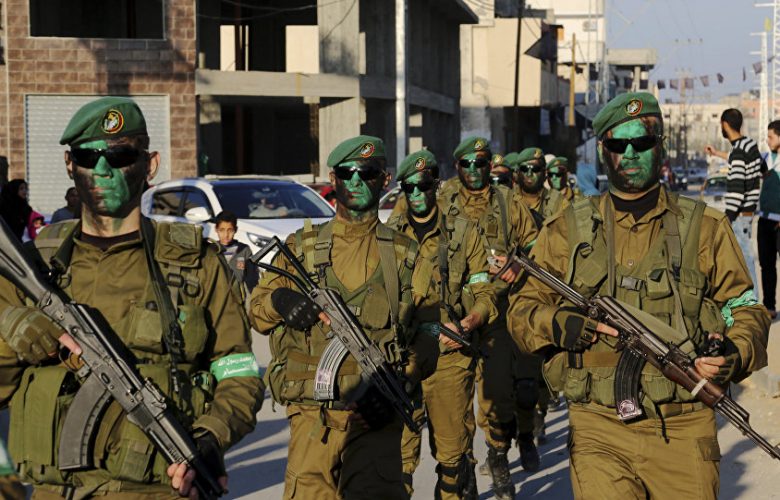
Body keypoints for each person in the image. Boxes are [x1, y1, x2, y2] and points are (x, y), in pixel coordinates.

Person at [509, 92, 770, 499]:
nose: (630, 153)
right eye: (619, 144)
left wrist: (732, 352)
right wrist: (562, 325)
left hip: (684, 425)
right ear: (603, 150)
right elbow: (522, 310)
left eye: (642, 142)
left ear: (660, 146)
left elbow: (745, 307)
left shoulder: (705, 228)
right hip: (598, 427)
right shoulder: (566, 229)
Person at [0, 96, 264, 498]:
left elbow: (238, 371)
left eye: (119, 156)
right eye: (87, 157)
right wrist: (12, 325)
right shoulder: (34, 266)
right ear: (70, 165)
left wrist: (213, 436)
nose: (101, 169)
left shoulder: (197, 263)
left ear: (150, 165)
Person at [249, 135, 438, 499]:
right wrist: (280, 300)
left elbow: (428, 332)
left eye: (366, 173)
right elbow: (257, 311)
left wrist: (402, 383)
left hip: (374, 422)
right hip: (312, 421)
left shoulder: (407, 256)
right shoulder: (300, 248)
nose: (355, 181)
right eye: (347, 173)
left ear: (384, 180)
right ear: (333, 179)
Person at [388, 149, 497, 499]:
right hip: (401, 357)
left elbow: (484, 291)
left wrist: (470, 321)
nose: (417, 194)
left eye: (423, 186)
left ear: (436, 185)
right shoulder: (388, 236)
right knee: (396, 461)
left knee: (452, 459)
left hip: (448, 357)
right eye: (409, 188)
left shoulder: (463, 233)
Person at [441, 136, 538, 499]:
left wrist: (518, 265)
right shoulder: (442, 201)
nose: (474, 170)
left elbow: (536, 245)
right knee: (454, 404)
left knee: (498, 394)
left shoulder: (508, 201)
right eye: (467, 164)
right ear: (457, 167)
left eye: (480, 163)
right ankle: (463, 468)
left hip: (498, 313)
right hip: (453, 315)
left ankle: (498, 455)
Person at [705, 108, 764, 298]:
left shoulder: (739, 152)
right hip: (748, 212)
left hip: (739, 215)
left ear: (725, 125)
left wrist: (726, 219)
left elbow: (737, 193)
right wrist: (716, 153)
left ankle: (753, 303)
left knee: (744, 262)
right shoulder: (749, 145)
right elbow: (760, 167)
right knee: (743, 260)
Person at [758, 120, 780, 319]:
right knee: (767, 266)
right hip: (764, 220)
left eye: (771, 137)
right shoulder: (765, 158)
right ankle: (769, 306)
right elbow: (740, 158)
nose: (767, 140)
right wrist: (716, 153)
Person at [511, 147, 565, 228]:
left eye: (535, 169)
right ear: (518, 172)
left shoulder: (558, 202)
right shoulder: (508, 199)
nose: (529, 174)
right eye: (524, 169)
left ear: (544, 173)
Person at [214, 210, 258, 297]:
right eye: (222, 230)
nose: (226, 235)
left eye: (230, 230)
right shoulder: (211, 250)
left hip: (238, 297)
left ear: (236, 230)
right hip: (216, 296)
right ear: (216, 229)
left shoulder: (244, 250)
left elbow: (252, 278)